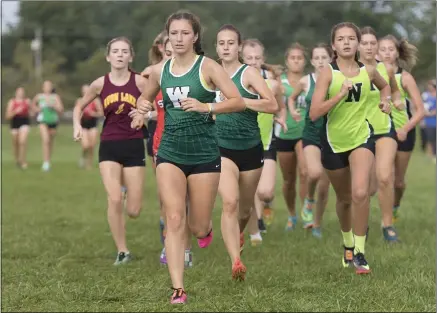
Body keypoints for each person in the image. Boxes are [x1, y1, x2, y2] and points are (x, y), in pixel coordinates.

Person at [131, 10, 245, 304]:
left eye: (184, 33)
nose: (179, 39)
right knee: (173, 217)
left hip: (205, 153)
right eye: (174, 33)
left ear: (195, 36)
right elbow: (146, 96)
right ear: (167, 37)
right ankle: (178, 288)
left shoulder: (208, 68)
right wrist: (141, 110)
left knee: (198, 226)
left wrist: (206, 108)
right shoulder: (159, 70)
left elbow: (236, 101)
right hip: (169, 151)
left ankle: (205, 232)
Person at [310, 22, 392, 274]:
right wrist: (338, 95)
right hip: (333, 142)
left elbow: (385, 87)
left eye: (351, 38)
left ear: (358, 43)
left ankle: (359, 252)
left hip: (361, 137)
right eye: (341, 39)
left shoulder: (369, 71)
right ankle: (347, 244)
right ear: (333, 45)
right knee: (344, 199)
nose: (346, 42)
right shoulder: (328, 73)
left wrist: (386, 101)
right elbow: (314, 113)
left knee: (360, 193)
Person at [73, 37, 147, 266]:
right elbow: (79, 106)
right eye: (115, 51)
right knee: (114, 199)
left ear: (131, 56)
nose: (120, 55)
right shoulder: (100, 84)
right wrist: (76, 125)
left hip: (134, 145)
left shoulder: (141, 83)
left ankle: (124, 193)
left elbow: (154, 103)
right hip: (109, 145)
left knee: (133, 210)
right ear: (108, 57)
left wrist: (145, 114)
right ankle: (122, 251)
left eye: (124, 51)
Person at [215, 24, 278, 280]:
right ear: (216, 47)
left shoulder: (248, 74)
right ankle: (236, 261)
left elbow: (272, 104)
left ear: (239, 46)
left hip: (250, 148)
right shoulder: (209, 74)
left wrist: (241, 102)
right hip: (220, 147)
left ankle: (239, 234)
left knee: (243, 210)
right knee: (229, 202)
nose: (226, 47)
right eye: (221, 43)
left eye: (231, 42)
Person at [239, 38, 287, 246]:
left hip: (266, 143)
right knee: (249, 190)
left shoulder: (273, 84)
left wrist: (282, 117)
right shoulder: (235, 82)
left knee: (265, 192)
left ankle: (265, 206)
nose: (253, 61)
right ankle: (256, 227)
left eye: (257, 58)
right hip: (244, 143)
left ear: (263, 59)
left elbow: (280, 105)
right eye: (248, 58)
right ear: (242, 58)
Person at [359, 26, 403, 242]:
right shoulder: (351, 71)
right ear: (358, 46)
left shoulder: (386, 69)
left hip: (385, 129)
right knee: (366, 186)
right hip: (359, 134)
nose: (369, 46)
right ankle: (361, 225)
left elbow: (393, 89)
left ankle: (388, 225)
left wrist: (393, 100)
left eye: (372, 43)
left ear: (377, 47)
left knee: (385, 177)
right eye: (364, 43)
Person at [288, 43, 333, 237]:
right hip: (311, 135)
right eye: (317, 58)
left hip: (332, 136)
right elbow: (291, 98)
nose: (321, 61)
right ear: (312, 61)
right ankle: (308, 200)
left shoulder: (337, 79)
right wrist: (293, 111)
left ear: (331, 59)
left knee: (324, 186)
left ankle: (317, 223)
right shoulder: (306, 81)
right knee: (313, 173)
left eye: (325, 57)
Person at [378, 35, 425, 222]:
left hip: (402, 132)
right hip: (380, 132)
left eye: (391, 49)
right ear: (377, 52)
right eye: (383, 49)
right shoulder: (370, 75)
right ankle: (386, 219)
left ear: (397, 53)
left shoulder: (405, 78)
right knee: (384, 178)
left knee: (397, 182)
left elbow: (420, 111)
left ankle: (395, 205)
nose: (387, 53)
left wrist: (406, 128)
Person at [276, 43, 309, 231]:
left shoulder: (310, 80)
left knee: (305, 173)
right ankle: (292, 214)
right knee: (289, 180)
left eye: (300, 58)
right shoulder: (279, 83)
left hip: (305, 132)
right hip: (285, 133)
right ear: (287, 61)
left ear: (304, 61)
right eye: (292, 58)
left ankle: (307, 215)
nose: (296, 61)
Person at [31, 80, 64, 171]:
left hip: (53, 121)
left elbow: (61, 110)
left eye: (49, 86)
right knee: (46, 140)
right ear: (43, 87)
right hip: (43, 121)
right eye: (45, 86)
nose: (47, 88)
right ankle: (45, 163)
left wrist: (54, 106)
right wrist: (38, 109)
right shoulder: (39, 97)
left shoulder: (55, 97)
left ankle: (48, 160)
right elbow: (32, 107)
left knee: (50, 142)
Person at [76, 84, 103, 169]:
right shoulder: (79, 101)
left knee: (92, 145)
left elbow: (101, 113)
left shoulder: (96, 101)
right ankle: (83, 157)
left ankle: (89, 163)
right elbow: (76, 113)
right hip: (83, 126)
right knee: (85, 145)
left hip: (93, 125)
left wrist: (93, 114)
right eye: (84, 91)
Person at [5, 87, 31, 169]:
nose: (21, 93)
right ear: (16, 93)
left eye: (22, 92)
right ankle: (17, 160)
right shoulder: (12, 102)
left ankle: (23, 160)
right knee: (15, 143)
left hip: (24, 122)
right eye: (19, 92)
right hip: (15, 122)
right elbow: (7, 116)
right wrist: (16, 111)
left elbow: (32, 112)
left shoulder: (27, 101)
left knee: (22, 141)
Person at [422, 79, 436, 161]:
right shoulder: (425, 95)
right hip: (428, 121)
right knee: (430, 138)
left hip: (434, 119)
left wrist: (433, 113)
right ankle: (431, 154)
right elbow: (421, 106)